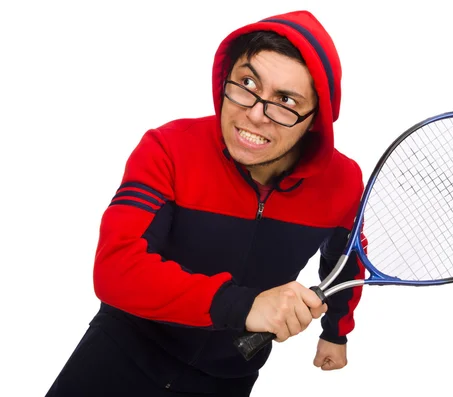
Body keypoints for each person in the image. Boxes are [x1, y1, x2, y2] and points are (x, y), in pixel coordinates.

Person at [46, 9, 365, 397]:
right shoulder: (169, 148)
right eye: (248, 83)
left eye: (285, 100)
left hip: (227, 380)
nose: (255, 114)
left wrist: (336, 332)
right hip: (118, 360)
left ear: (317, 119)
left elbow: (345, 259)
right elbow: (116, 266)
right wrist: (244, 306)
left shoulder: (343, 182)